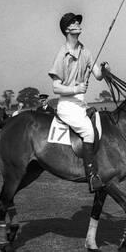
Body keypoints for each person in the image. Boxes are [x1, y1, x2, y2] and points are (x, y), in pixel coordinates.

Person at [48, 12, 108, 193]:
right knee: (89, 132)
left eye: (78, 21)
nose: (78, 23)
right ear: (67, 29)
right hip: (67, 104)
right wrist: (76, 89)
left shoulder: (86, 51)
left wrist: (105, 69)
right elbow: (55, 87)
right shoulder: (62, 54)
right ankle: (92, 177)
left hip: (81, 104)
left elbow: (98, 75)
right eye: (74, 22)